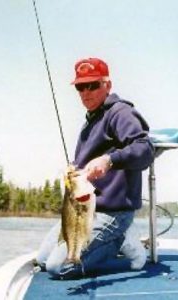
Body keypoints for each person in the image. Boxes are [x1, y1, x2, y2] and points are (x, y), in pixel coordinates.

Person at [35, 57, 154, 279]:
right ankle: (112, 240)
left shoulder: (120, 113)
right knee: (42, 260)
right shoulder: (91, 120)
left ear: (107, 85)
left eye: (93, 85)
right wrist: (74, 172)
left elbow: (144, 148)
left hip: (113, 213)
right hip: (85, 210)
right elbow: (87, 169)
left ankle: (120, 239)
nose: (85, 92)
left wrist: (109, 160)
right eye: (80, 86)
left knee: (58, 267)